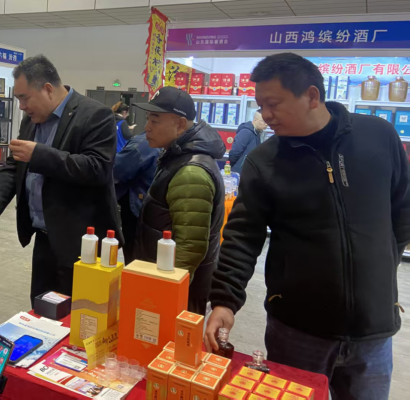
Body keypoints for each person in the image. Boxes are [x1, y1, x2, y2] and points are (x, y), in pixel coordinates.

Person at [206, 53, 410, 399]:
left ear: (312, 96)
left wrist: (378, 269)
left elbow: (402, 210)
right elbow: (242, 236)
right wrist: (224, 301)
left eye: (273, 104)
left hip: (372, 331)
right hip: (297, 330)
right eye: (260, 106)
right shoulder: (264, 161)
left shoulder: (378, 136)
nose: (265, 115)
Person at [0, 54, 122, 304]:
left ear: (47, 89)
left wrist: (39, 155)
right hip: (44, 239)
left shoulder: (95, 115)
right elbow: (12, 168)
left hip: (83, 245)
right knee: (41, 310)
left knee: (81, 314)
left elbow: (97, 168)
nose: (21, 107)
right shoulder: (31, 120)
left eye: (24, 98)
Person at [133, 87, 225, 314]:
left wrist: (166, 295)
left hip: (176, 292)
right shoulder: (177, 156)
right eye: (148, 119)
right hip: (162, 276)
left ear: (181, 125)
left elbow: (189, 248)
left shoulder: (191, 172)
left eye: (155, 120)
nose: (147, 127)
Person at [113, 132, 159, 263]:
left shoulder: (143, 144)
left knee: (135, 259)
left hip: (137, 209)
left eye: (154, 122)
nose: (148, 126)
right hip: (154, 211)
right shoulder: (172, 144)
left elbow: (116, 171)